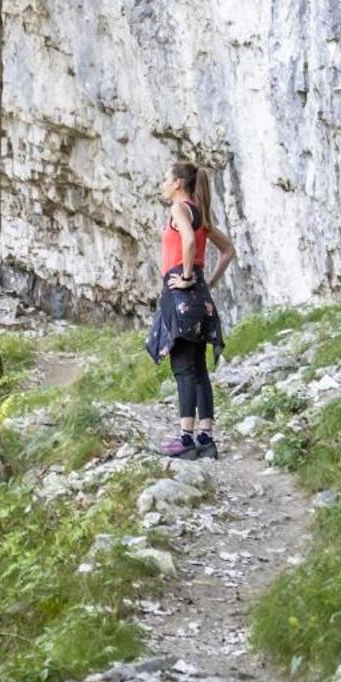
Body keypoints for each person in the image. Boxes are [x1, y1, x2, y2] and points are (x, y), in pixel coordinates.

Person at [145, 160, 236, 460]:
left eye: (165, 179)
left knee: (183, 368)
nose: (163, 184)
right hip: (200, 295)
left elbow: (186, 241)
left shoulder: (179, 209)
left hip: (181, 293)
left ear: (178, 184)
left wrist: (185, 277)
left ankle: (186, 439)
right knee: (199, 369)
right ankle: (206, 439)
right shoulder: (201, 213)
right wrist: (205, 281)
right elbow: (228, 251)